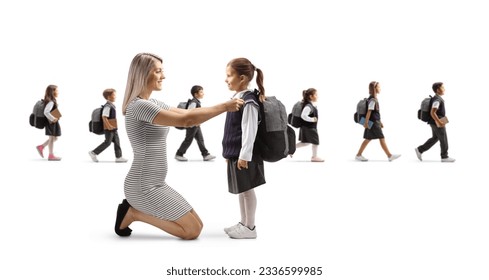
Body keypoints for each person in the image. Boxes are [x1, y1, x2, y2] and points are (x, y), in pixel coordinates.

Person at [114, 53, 243, 240]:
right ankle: (134, 213)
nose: (163, 76)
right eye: (158, 71)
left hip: (157, 183)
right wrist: (225, 107)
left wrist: (223, 106)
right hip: (142, 186)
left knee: (198, 225)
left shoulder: (153, 103)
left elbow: (188, 113)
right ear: (142, 74)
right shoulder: (139, 106)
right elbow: (187, 120)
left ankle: (134, 211)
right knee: (191, 231)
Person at [222, 57, 266, 239]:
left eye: (229, 75)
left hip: (245, 155)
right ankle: (243, 223)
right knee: (242, 189)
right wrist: (230, 152)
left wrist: (244, 155)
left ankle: (250, 227)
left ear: (242, 78)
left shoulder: (249, 100)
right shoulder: (238, 98)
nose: (226, 79)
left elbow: (250, 129)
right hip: (237, 153)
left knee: (247, 189)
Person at [355, 81, 400, 162]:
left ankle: (358, 155)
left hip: (374, 122)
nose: (380, 89)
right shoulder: (373, 100)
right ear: (374, 89)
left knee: (368, 139)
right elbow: (369, 111)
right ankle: (389, 155)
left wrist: (380, 122)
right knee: (381, 137)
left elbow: (374, 113)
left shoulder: (372, 98)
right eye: (379, 87)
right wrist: (366, 123)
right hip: (373, 123)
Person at [415, 82, 455, 162]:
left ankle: (420, 150)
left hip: (433, 122)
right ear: (437, 90)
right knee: (443, 138)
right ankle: (444, 157)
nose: (444, 89)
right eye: (442, 88)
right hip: (437, 123)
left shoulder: (436, 98)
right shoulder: (437, 100)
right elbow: (433, 112)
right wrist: (439, 122)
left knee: (435, 138)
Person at [175, 85, 216, 162]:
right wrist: (193, 123)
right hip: (192, 125)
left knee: (200, 139)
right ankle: (179, 154)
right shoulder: (194, 102)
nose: (203, 93)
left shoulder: (196, 101)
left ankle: (205, 154)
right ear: (195, 94)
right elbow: (190, 112)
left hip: (196, 125)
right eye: (201, 92)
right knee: (188, 140)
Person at [89, 89, 128, 163]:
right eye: (114, 95)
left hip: (113, 127)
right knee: (108, 142)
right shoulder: (107, 106)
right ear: (108, 97)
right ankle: (93, 153)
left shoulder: (111, 105)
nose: (115, 96)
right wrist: (109, 126)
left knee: (117, 141)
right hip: (109, 127)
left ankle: (118, 157)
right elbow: (104, 117)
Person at [295, 88, 324, 162]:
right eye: (316, 95)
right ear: (311, 96)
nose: (317, 96)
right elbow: (303, 115)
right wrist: (312, 119)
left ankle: (291, 148)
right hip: (309, 127)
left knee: (305, 142)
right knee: (315, 141)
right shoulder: (308, 106)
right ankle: (314, 157)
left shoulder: (310, 105)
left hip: (307, 127)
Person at [36, 85, 62, 161]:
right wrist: (53, 119)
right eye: (56, 90)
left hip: (52, 122)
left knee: (55, 138)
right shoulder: (51, 101)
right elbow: (46, 112)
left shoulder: (51, 100)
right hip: (51, 122)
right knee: (51, 138)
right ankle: (51, 155)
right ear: (53, 92)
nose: (58, 92)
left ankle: (41, 147)